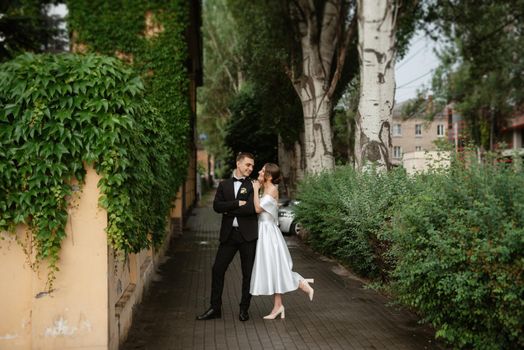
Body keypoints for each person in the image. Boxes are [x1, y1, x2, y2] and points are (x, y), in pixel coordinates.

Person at [196, 152, 258, 322]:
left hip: (248, 236)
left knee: (248, 274)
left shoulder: (254, 184)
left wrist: (228, 208)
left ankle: (244, 309)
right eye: (248, 165)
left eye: (252, 165)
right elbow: (216, 206)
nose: (250, 168)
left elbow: (252, 209)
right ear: (238, 164)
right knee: (217, 269)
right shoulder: (224, 184)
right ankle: (215, 308)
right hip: (228, 235)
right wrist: (237, 204)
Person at [250, 163, 314, 320]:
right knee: (272, 269)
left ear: (269, 176)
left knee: (276, 268)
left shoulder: (271, 189)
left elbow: (257, 209)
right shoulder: (267, 188)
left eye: (262, 170)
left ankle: (301, 283)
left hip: (269, 233)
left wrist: (254, 190)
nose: (259, 171)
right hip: (264, 231)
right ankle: (278, 306)